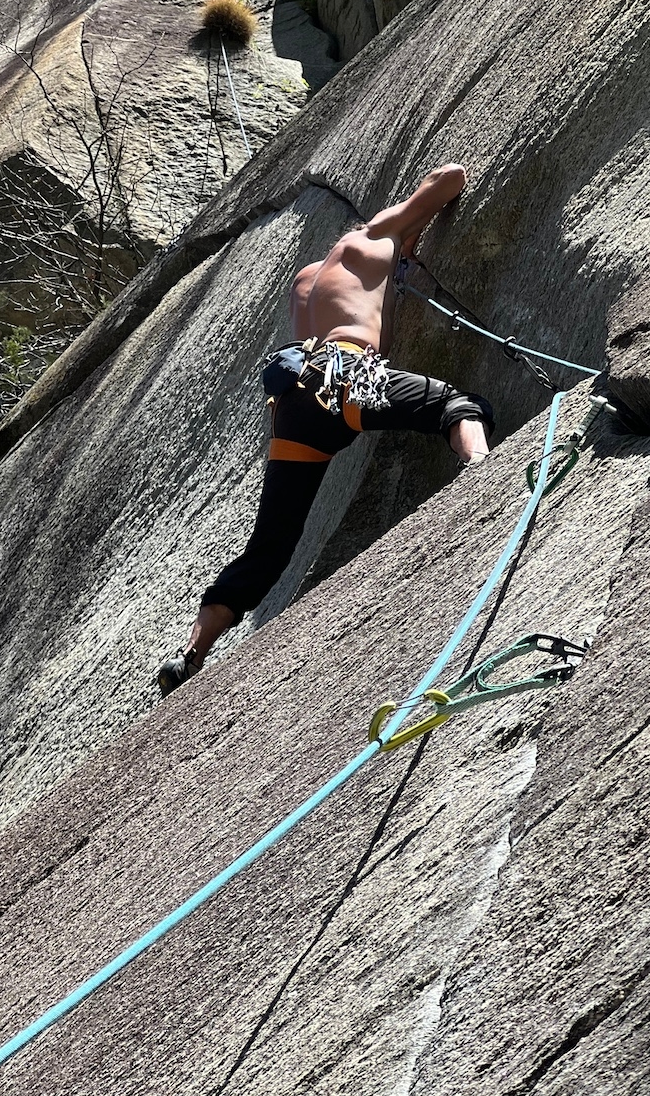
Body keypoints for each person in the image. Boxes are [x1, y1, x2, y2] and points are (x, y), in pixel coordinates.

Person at [156, 163, 494, 696]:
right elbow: (449, 177)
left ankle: (190, 653)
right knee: (456, 403)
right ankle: (486, 475)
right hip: (345, 376)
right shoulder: (373, 234)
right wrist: (407, 227)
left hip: (294, 404)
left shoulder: (306, 283)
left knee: (269, 547)